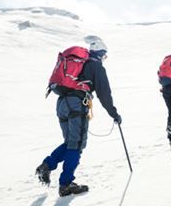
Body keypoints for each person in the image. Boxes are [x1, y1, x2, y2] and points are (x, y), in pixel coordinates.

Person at [36, 40, 121, 197]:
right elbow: (104, 94)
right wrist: (114, 113)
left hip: (62, 103)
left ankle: (47, 165)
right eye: (105, 56)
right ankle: (66, 184)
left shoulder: (79, 63)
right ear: (101, 54)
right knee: (76, 145)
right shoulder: (96, 66)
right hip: (77, 103)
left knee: (70, 143)